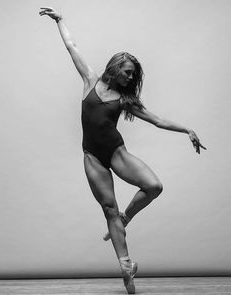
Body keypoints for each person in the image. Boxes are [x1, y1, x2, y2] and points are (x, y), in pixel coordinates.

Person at [39, 7, 206, 294]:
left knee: (153, 186)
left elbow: (157, 119)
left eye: (133, 75)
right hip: (92, 156)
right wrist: (60, 21)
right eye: (128, 73)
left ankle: (126, 218)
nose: (131, 78)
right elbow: (71, 47)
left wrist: (187, 130)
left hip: (116, 152)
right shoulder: (90, 80)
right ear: (116, 68)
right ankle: (126, 267)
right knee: (108, 209)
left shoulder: (126, 100)